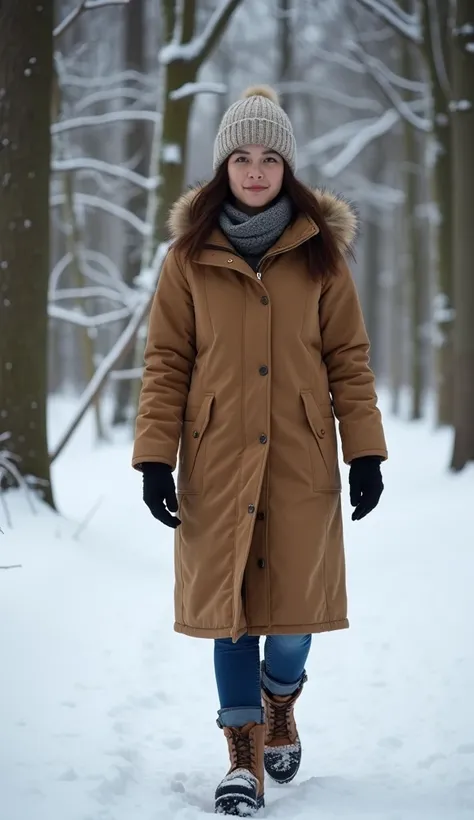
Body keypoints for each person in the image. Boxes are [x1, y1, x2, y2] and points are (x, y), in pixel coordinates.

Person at [132, 85, 387, 817]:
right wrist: (155, 456)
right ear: (222, 166)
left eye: (268, 157)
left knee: (295, 614)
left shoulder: (321, 255)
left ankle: (282, 696)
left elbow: (349, 357)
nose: (253, 170)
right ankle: (243, 756)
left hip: (301, 458)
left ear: (287, 167)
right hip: (215, 459)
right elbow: (166, 363)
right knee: (229, 611)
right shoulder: (186, 258)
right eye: (240, 157)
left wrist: (364, 451)